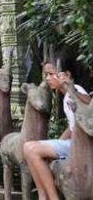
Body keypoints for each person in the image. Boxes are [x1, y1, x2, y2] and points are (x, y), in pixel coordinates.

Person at [23, 62, 91, 200]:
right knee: (29, 148)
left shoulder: (75, 90)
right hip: (73, 142)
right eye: (46, 75)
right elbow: (72, 127)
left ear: (67, 75)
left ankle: (52, 197)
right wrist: (58, 141)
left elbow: (88, 103)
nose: (48, 78)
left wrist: (72, 89)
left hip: (82, 146)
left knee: (30, 149)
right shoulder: (66, 96)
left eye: (51, 74)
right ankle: (43, 195)